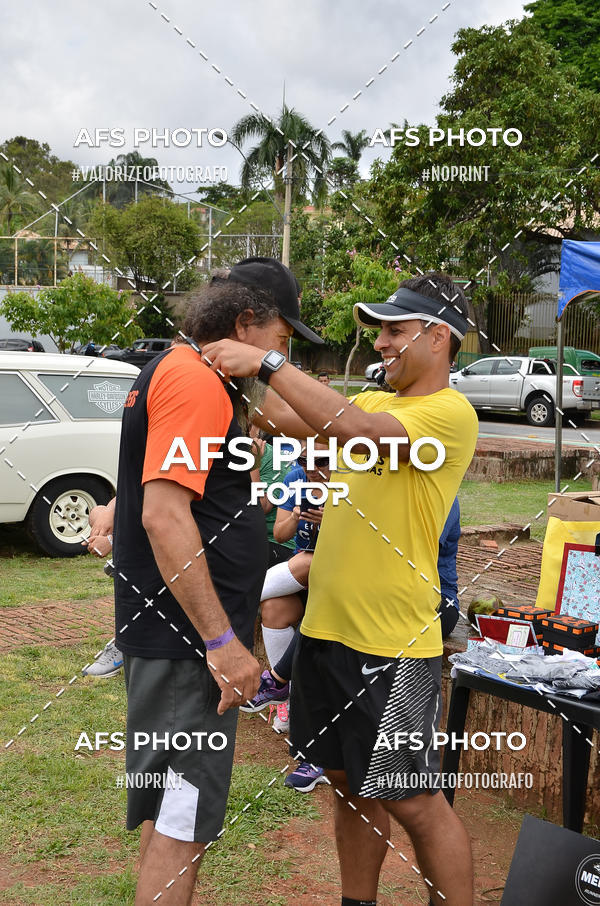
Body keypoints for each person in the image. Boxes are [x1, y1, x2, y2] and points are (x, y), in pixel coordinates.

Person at [201, 271, 478, 906]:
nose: (380, 343)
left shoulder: (448, 414)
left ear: (439, 338)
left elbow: (356, 431)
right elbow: (285, 414)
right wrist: (215, 354)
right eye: (378, 331)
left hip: (393, 643)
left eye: (394, 331)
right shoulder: (379, 403)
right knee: (349, 787)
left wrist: (268, 359)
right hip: (325, 634)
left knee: (414, 800)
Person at [113, 258, 323, 906]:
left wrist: (263, 379)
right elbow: (165, 514)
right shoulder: (194, 382)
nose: (278, 358)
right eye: (280, 341)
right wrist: (222, 641)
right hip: (187, 646)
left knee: (171, 815)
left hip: (170, 641)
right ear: (242, 323)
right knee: (182, 823)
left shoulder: (188, 376)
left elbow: (308, 423)